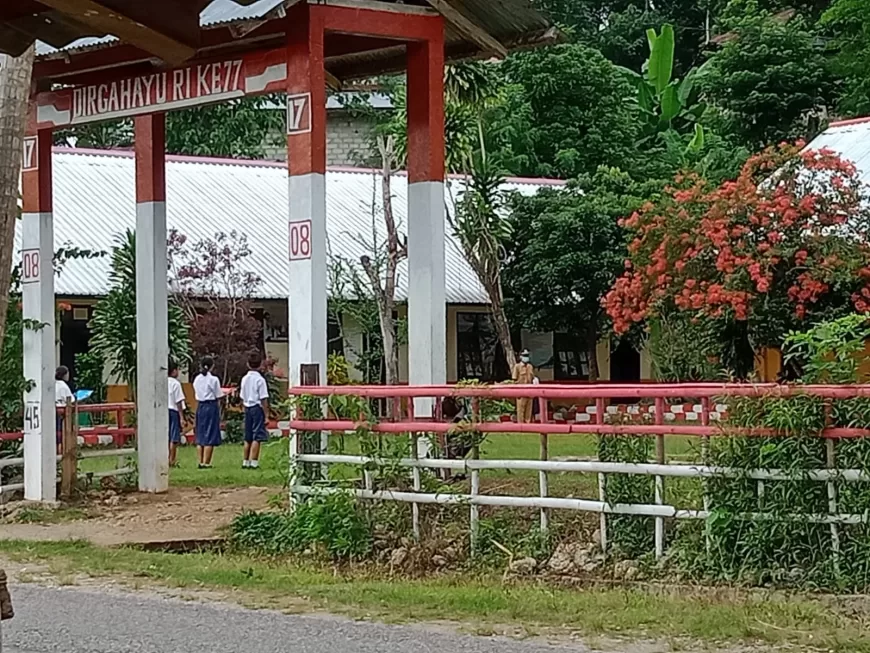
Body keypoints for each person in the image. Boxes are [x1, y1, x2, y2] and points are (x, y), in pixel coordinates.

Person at [240, 351, 270, 469]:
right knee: (257, 436)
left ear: (248, 364)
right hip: (257, 408)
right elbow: (263, 398)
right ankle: (254, 462)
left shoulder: (245, 379)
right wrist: (266, 414)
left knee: (248, 436)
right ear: (260, 364)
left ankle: (245, 461)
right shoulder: (260, 380)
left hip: (247, 407)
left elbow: (242, 396)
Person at [193, 356, 223, 469]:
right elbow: (218, 395)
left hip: (200, 405)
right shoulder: (213, 379)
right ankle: (207, 462)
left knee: (201, 433)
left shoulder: (197, 379)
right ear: (212, 366)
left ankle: (200, 461)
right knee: (210, 433)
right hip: (211, 406)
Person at [167, 360, 186, 468]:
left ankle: (165, 458)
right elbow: (178, 401)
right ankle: (172, 459)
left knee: (165, 436)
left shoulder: (162, 382)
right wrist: (181, 417)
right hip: (173, 411)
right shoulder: (175, 383)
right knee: (173, 438)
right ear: (174, 371)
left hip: (163, 411)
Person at [55, 365, 75, 455]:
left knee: (56, 435)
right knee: (61, 437)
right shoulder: (63, 386)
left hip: (53, 411)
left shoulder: (53, 384)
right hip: (62, 412)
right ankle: (61, 455)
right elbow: (71, 399)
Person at [512, 349, 536, 423]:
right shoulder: (517, 367)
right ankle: (521, 425)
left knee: (529, 410)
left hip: (530, 391)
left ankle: (528, 425)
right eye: (525, 356)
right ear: (520, 356)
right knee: (520, 409)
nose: (526, 357)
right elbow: (514, 380)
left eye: (527, 355)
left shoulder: (530, 366)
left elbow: (533, 378)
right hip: (521, 392)